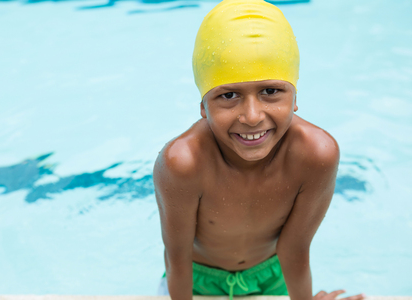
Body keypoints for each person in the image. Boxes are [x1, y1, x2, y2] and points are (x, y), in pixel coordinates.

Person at [153, 1, 365, 300]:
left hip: (272, 276)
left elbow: (294, 248)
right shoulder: (183, 162)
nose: (252, 116)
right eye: (228, 95)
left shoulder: (316, 154)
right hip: (196, 280)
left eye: (270, 91)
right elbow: (176, 257)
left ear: (294, 97)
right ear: (203, 106)